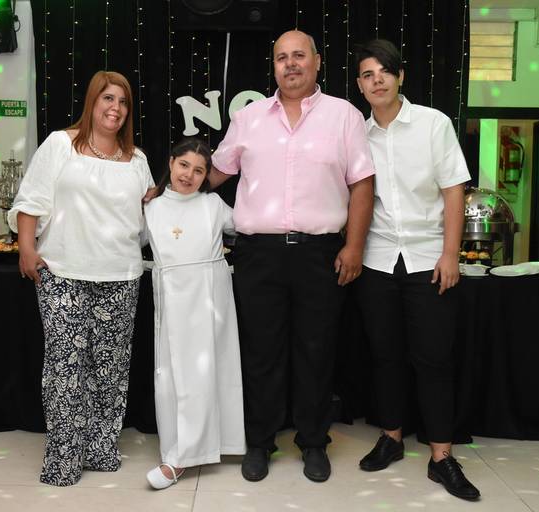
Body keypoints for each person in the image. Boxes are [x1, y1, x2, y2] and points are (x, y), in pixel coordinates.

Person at [209, 30, 375, 482]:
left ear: (317, 62)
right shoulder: (248, 118)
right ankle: (259, 442)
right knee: (260, 354)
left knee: (316, 353)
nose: (291, 64)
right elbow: (215, 173)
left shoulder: (344, 116)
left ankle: (313, 442)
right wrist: (164, 187)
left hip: (320, 255)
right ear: (273, 66)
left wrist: (354, 245)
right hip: (258, 255)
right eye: (282, 57)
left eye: (299, 55)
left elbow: (362, 184)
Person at [7, 71, 154, 486]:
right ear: (92, 102)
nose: (116, 109)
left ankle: (101, 449)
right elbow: (31, 200)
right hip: (62, 274)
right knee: (65, 367)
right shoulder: (60, 144)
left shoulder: (138, 161)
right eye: (108, 98)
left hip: (122, 275)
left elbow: (146, 223)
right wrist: (26, 248)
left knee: (110, 368)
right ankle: (63, 460)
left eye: (123, 102)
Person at [353, 39, 480, 500]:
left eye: (384, 71)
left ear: (400, 75)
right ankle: (390, 437)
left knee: (433, 359)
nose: (378, 80)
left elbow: (453, 190)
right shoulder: (358, 135)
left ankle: (442, 456)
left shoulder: (432, 123)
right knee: (385, 356)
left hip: (429, 259)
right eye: (368, 74)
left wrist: (451, 254)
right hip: (378, 260)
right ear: (360, 86)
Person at [143, 138, 246, 490]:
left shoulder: (214, 204)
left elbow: (246, 227)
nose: (189, 175)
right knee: (176, 375)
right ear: (171, 163)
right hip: (173, 297)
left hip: (211, 295)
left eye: (199, 170)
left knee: (214, 368)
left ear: (207, 177)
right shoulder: (150, 208)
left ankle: (222, 441)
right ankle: (180, 452)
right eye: (184, 165)